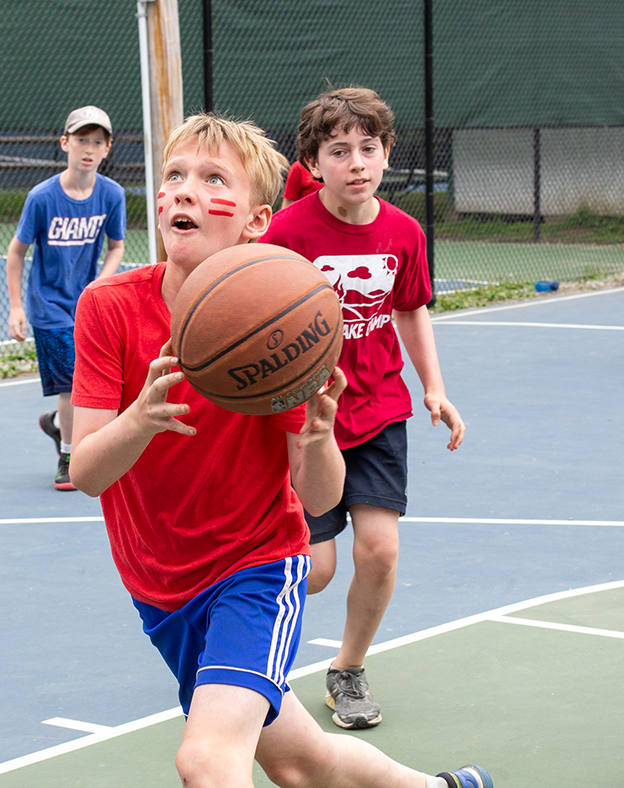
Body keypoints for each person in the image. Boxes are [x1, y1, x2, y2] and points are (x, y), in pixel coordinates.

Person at [69, 113, 490, 788]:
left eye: (212, 180)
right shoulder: (109, 308)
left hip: (256, 568)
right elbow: (87, 471)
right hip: (161, 585)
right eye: (174, 175)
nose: (184, 191)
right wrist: (140, 419)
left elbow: (320, 498)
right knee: (301, 762)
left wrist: (319, 436)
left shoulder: (280, 322)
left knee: (207, 760)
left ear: (256, 221)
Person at [261, 87, 466, 731]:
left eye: (368, 148)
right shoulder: (288, 232)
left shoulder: (403, 232)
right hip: (307, 417)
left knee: (379, 551)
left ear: (387, 154)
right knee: (314, 570)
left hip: (378, 408)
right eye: (339, 150)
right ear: (315, 163)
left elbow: (409, 307)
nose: (356, 162)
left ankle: (346, 668)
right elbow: (258, 312)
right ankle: (247, 658)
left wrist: (433, 385)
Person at [6, 105, 126, 490]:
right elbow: (16, 253)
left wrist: (100, 285)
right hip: (48, 307)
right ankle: (69, 457)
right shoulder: (42, 198)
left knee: (87, 383)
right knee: (72, 387)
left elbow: (117, 248)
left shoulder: (112, 195)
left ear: (107, 149)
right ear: (64, 143)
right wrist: (16, 308)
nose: (88, 149)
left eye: (96, 142)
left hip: (87, 304)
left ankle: (57, 425)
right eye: (80, 140)